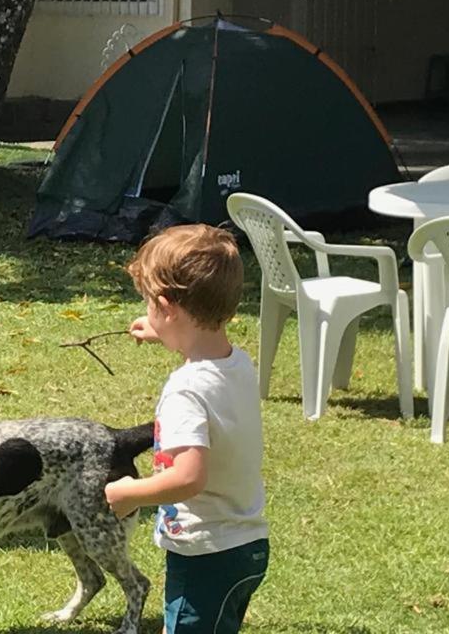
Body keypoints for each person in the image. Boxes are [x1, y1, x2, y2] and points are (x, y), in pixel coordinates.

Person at [104, 223, 268, 634]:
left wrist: (128, 493)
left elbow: (189, 477)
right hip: (243, 543)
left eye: (148, 305)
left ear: (166, 306)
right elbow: (201, 343)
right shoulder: (237, 363)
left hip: (206, 554)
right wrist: (160, 332)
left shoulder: (185, 391)